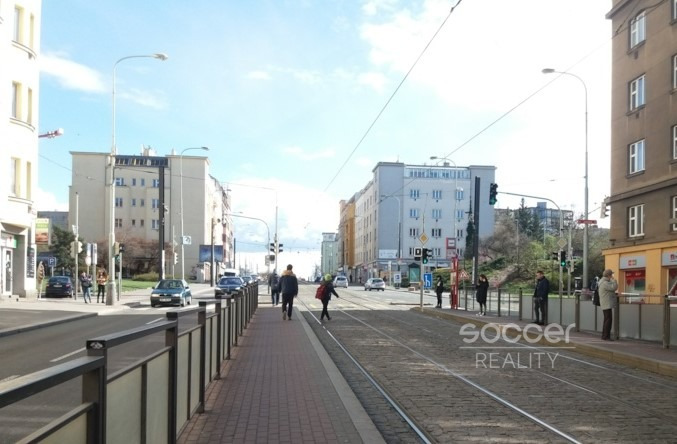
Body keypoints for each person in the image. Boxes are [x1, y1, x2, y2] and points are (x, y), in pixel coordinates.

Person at [599, 269, 618, 340]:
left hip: (605, 303)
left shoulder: (602, 281)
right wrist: (614, 280)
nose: (612, 276)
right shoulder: (605, 283)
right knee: (608, 320)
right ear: (608, 275)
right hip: (606, 303)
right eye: (611, 274)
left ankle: (605, 336)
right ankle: (606, 336)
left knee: (607, 319)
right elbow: (614, 287)